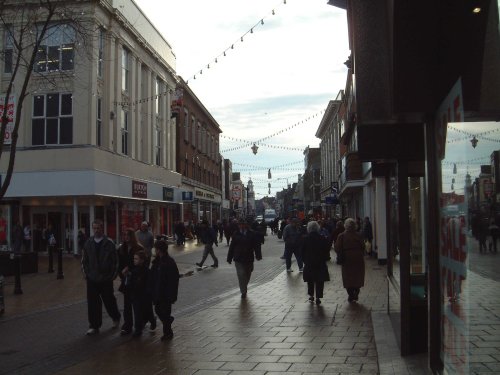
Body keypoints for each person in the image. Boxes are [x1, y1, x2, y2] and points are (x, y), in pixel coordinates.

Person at [81, 219, 121, 335]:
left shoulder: (109, 243)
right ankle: (94, 325)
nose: (96, 230)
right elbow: (84, 261)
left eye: (98, 228)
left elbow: (115, 261)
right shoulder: (88, 243)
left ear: (102, 228)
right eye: (94, 228)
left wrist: (112, 276)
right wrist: (86, 274)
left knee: (109, 300)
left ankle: (115, 317)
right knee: (93, 303)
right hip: (92, 278)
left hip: (106, 278)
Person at [118, 228, 155, 336]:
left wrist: (133, 271)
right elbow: (119, 263)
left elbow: (145, 263)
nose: (125, 237)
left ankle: (141, 323)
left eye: (127, 235)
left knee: (140, 305)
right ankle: (127, 325)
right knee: (127, 305)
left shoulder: (138, 248)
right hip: (127, 280)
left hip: (138, 280)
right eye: (124, 235)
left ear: (132, 236)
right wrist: (121, 273)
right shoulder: (122, 248)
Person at [150, 240, 179, 341]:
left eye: (155, 249)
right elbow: (153, 276)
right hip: (158, 292)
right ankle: (168, 321)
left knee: (165, 312)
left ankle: (168, 333)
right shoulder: (157, 261)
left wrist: (172, 295)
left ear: (159, 250)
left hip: (166, 293)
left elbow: (174, 280)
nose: (154, 250)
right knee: (158, 310)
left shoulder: (169, 262)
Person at [227, 218, 262, 298]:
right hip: (238, 258)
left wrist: (258, 255)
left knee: (247, 274)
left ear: (246, 225)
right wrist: (229, 258)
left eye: (243, 224)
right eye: (240, 224)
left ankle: (244, 286)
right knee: (241, 274)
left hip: (249, 258)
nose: (241, 226)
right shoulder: (236, 234)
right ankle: (243, 291)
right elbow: (232, 247)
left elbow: (256, 246)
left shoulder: (252, 234)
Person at [334, 218, 365, 302]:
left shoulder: (342, 236)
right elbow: (363, 246)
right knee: (358, 274)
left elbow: (337, 248)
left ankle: (351, 294)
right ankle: (357, 290)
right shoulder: (358, 235)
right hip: (358, 257)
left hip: (346, 258)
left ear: (345, 226)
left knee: (347, 276)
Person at [302, 221, 331, 305]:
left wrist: (305, 260)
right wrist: (324, 258)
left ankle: (311, 295)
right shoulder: (322, 238)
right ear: (317, 228)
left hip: (309, 263)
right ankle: (318, 297)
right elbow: (327, 250)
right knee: (319, 280)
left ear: (309, 228)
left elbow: (302, 251)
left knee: (310, 280)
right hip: (320, 262)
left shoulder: (305, 239)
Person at [127, 250, 151, 337]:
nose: (134, 260)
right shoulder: (133, 271)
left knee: (145, 311)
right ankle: (138, 330)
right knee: (137, 313)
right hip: (136, 296)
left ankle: (150, 320)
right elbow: (130, 283)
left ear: (142, 260)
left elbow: (148, 284)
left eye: (136, 259)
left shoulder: (146, 271)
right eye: (134, 259)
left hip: (143, 296)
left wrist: (147, 294)